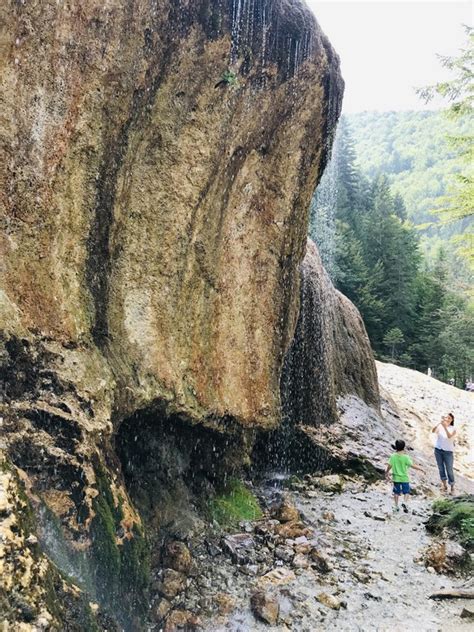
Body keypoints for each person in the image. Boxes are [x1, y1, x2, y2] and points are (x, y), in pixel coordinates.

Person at [385, 439, 423, 513]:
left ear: (396, 447)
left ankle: (396, 506)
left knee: (396, 493)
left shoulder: (393, 456)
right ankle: (405, 502)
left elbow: (389, 465)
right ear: (404, 447)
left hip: (396, 478)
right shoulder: (406, 457)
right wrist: (421, 469)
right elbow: (412, 465)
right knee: (406, 492)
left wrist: (387, 472)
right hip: (404, 478)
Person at [432, 413, 456, 494]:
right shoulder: (440, 426)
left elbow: (449, 436)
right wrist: (439, 423)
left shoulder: (453, 428)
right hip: (438, 449)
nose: (447, 419)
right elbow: (433, 431)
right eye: (446, 418)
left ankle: (452, 485)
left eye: (449, 418)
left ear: (452, 420)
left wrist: (445, 427)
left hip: (448, 451)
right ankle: (444, 484)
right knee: (440, 467)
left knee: (449, 469)